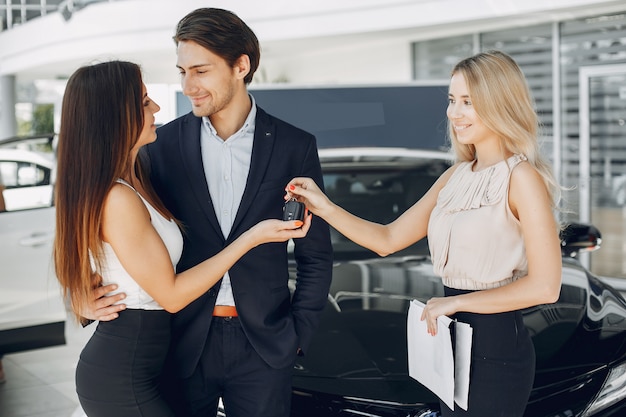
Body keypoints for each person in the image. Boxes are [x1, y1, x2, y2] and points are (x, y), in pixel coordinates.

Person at [80, 8, 333, 417]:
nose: (187, 86)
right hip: (181, 342)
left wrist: (297, 334)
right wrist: (82, 299)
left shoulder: (294, 145)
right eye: (182, 72)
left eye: (200, 71)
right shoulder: (159, 146)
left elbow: (316, 254)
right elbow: (109, 232)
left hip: (266, 347)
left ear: (240, 66)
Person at [285, 50, 563, 416]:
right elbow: (387, 240)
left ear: (500, 103)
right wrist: (324, 206)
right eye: (452, 100)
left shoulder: (521, 178)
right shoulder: (455, 176)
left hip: (496, 347)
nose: (454, 112)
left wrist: (457, 303)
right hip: (451, 338)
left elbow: (546, 286)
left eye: (468, 102)